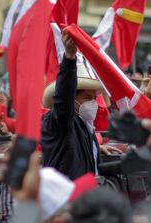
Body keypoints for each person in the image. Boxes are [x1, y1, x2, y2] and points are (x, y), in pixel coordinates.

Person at [41, 30, 103, 179]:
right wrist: (69, 58)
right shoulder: (59, 121)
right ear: (72, 99)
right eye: (87, 97)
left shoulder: (85, 127)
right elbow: (63, 99)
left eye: (94, 98)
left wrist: (96, 148)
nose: (93, 103)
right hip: (67, 198)